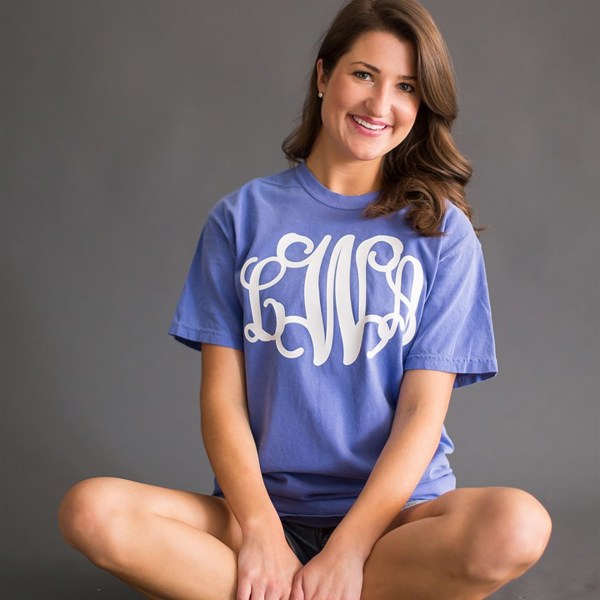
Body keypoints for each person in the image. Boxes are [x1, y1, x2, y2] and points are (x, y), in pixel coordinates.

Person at [58, 1, 552, 598]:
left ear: (422, 106)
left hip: (394, 521)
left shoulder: (441, 233)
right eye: (363, 74)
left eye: (406, 87)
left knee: (518, 526)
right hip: (258, 513)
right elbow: (222, 399)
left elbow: (422, 411)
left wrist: (350, 547)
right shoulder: (241, 217)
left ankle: (305, 586)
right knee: (92, 511)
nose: (380, 104)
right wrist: (261, 531)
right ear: (324, 76)